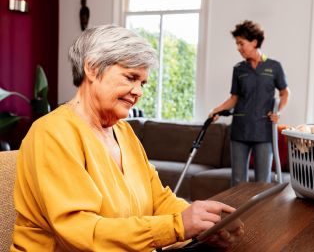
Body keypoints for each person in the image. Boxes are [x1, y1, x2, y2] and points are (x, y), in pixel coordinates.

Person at [10, 25, 244, 252]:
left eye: (142, 83)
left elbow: (158, 201)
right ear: (92, 68)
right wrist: (177, 226)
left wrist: (204, 224)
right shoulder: (52, 133)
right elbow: (80, 231)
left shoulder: (123, 132)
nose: (139, 92)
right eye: (130, 78)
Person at [210, 20, 290, 186]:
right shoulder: (239, 69)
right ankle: (237, 212)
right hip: (240, 130)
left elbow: (285, 93)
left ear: (254, 42)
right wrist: (216, 110)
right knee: (238, 181)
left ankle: (261, 213)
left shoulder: (274, 67)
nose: (238, 48)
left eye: (241, 43)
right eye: (237, 44)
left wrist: (278, 112)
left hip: (264, 131)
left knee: (263, 181)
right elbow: (234, 98)